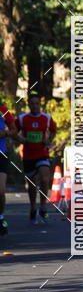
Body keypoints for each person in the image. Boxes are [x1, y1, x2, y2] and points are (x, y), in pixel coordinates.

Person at [15, 93, 57, 224]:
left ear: (40, 104)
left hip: (42, 153)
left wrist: (49, 140)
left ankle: (43, 206)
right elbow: (12, 131)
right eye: (32, 104)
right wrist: (20, 139)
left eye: (37, 104)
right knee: (32, 184)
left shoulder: (46, 118)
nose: (35, 106)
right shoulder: (22, 118)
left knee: (45, 178)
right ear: (29, 105)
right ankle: (33, 207)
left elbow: (53, 130)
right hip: (28, 155)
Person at [0, 100, 16, 236]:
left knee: (1, 190)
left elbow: (14, 130)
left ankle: (0, 217)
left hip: (1, 154)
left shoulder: (3, 110)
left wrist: (4, 134)